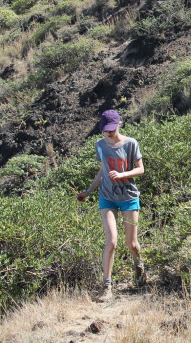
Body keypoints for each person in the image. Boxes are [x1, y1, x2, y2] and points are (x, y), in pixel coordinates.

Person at [77, 110, 146, 302]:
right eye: (105, 130)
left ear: (119, 124)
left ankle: (138, 265)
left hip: (129, 197)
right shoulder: (99, 145)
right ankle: (106, 286)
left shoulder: (131, 143)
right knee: (112, 241)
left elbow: (140, 169)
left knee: (131, 244)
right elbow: (103, 170)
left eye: (111, 129)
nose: (108, 133)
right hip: (107, 197)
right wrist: (89, 190)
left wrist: (122, 175)